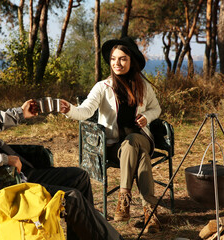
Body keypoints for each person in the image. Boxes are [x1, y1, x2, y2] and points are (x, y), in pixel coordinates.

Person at [0, 46, 123, 240]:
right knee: (72, 198)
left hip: (10, 174)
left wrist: (19, 113)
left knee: (79, 177)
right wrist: (2, 159)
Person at [60, 36, 162, 233]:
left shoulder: (142, 85)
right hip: (115, 146)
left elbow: (156, 109)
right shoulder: (103, 87)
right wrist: (69, 110)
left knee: (133, 141)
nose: (117, 63)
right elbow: (86, 111)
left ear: (131, 61)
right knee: (139, 155)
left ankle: (124, 199)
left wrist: (147, 117)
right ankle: (151, 214)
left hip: (141, 137)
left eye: (123, 59)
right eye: (114, 59)